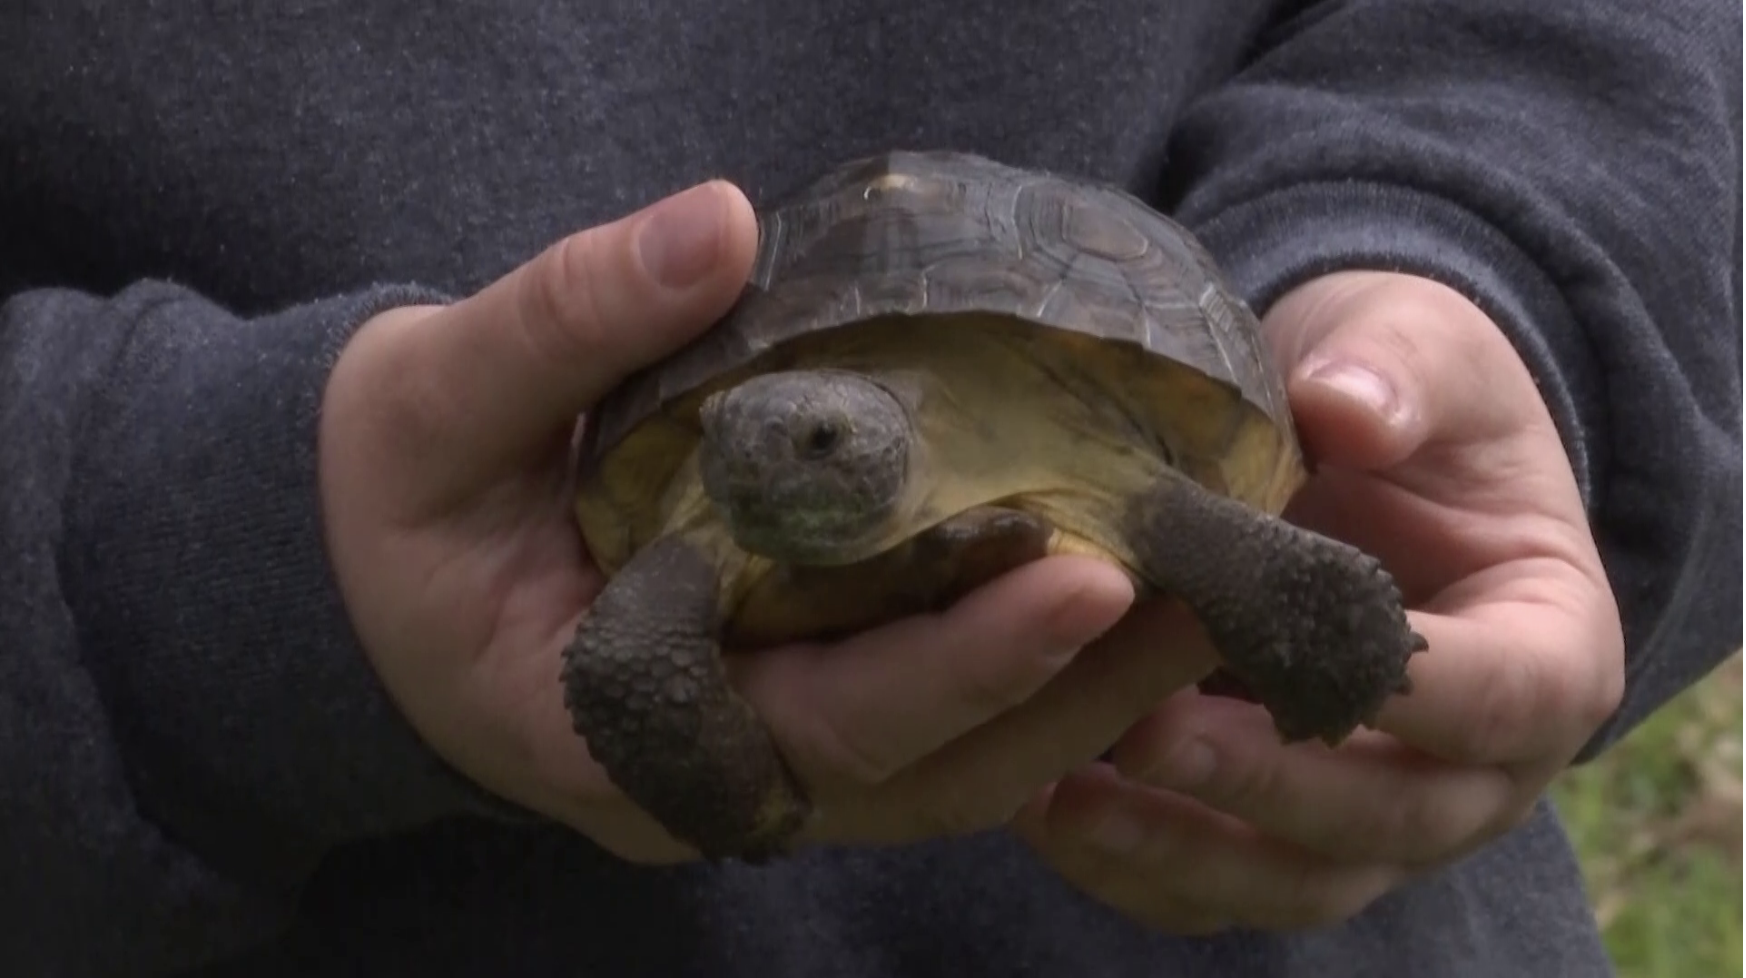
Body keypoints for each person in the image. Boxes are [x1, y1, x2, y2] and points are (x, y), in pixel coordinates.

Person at [1, 1, 1738, 975]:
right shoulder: (709, 509)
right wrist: (179, 556)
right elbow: (631, 654)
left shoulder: (1085, 441)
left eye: (809, 439)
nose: (766, 460)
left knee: (1250, 561)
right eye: (749, 443)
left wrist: (1502, 269)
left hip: (1305, 926)